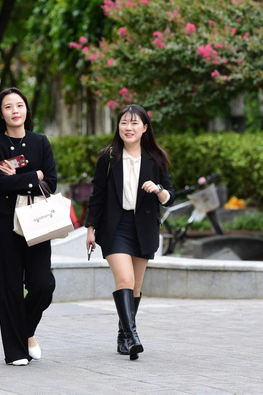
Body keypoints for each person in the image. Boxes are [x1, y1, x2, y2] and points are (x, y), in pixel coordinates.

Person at [85, 104, 175, 360]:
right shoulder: (108, 157)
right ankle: (133, 336)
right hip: (114, 227)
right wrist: (91, 228)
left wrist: (157, 189)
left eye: (135, 123)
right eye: (124, 122)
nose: (129, 127)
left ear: (145, 128)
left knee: (135, 286)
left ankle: (123, 335)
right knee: (124, 280)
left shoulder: (155, 158)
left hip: (143, 228)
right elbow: (98, 195)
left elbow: (169, 196)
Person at [0, 87, 57, 366]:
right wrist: (33, 175)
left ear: (26, 110)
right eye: (8, 107)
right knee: (9, 288)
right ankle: (15, 351)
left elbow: (51, 181)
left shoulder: (41, 142)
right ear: (1, 114)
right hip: (5, 223)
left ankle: (25, 331)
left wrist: (24, 176)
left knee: (43, 284)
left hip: (38, 221)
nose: (15, 111)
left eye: (19, 105)